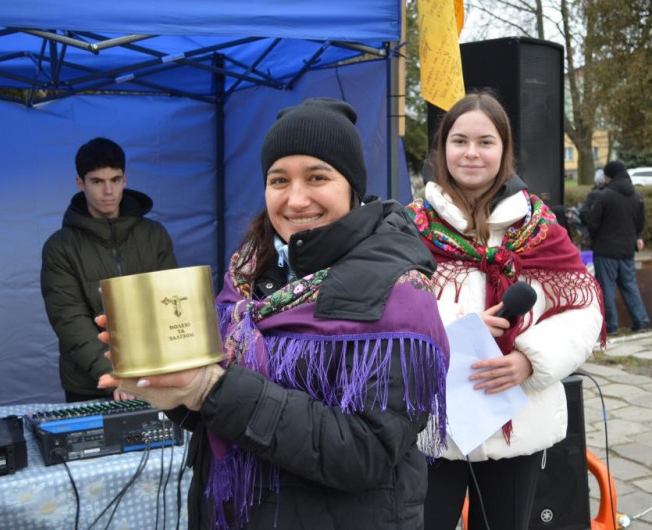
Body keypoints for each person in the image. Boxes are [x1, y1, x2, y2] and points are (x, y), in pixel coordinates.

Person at [99, 98, 449, 529]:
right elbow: (224, 413)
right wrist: (173, 386)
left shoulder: (399, 294)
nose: (295, 199)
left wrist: (212, 389)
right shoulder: (248, 275)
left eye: (317, 177)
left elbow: (365, 455)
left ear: (352, 188)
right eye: (278, 180)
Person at [405, 92, 603, 530]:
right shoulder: (408, 228)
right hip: (433, 426)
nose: (471, 153)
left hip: (520, 422)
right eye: (459, 141)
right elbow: (385, 310)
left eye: (485, 141)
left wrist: (530, 360)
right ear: (442, 150)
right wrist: (457, 328)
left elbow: (585, 309)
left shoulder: (541, 227)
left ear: (504, 150)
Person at [41, 137, 178, 403]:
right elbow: (70, 320)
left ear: (125, 179)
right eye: (97, 181)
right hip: (90, 384)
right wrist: (112, 373)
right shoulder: (60, 247)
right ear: (80, 184)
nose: (108, 191)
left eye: (115, 180)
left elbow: (169, 303)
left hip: (154, 377)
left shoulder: (154, 235)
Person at [586, 161, 651, 335]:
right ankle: (641, 321)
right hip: (627, 250)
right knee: (630, 285)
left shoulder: (604, 196)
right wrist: (636, 238)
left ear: (609, 177)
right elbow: (640, 224)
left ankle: (610, 325)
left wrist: (594, 237)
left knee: (607, 288)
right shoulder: (636, 196)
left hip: (606, 250)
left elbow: (593, 223)